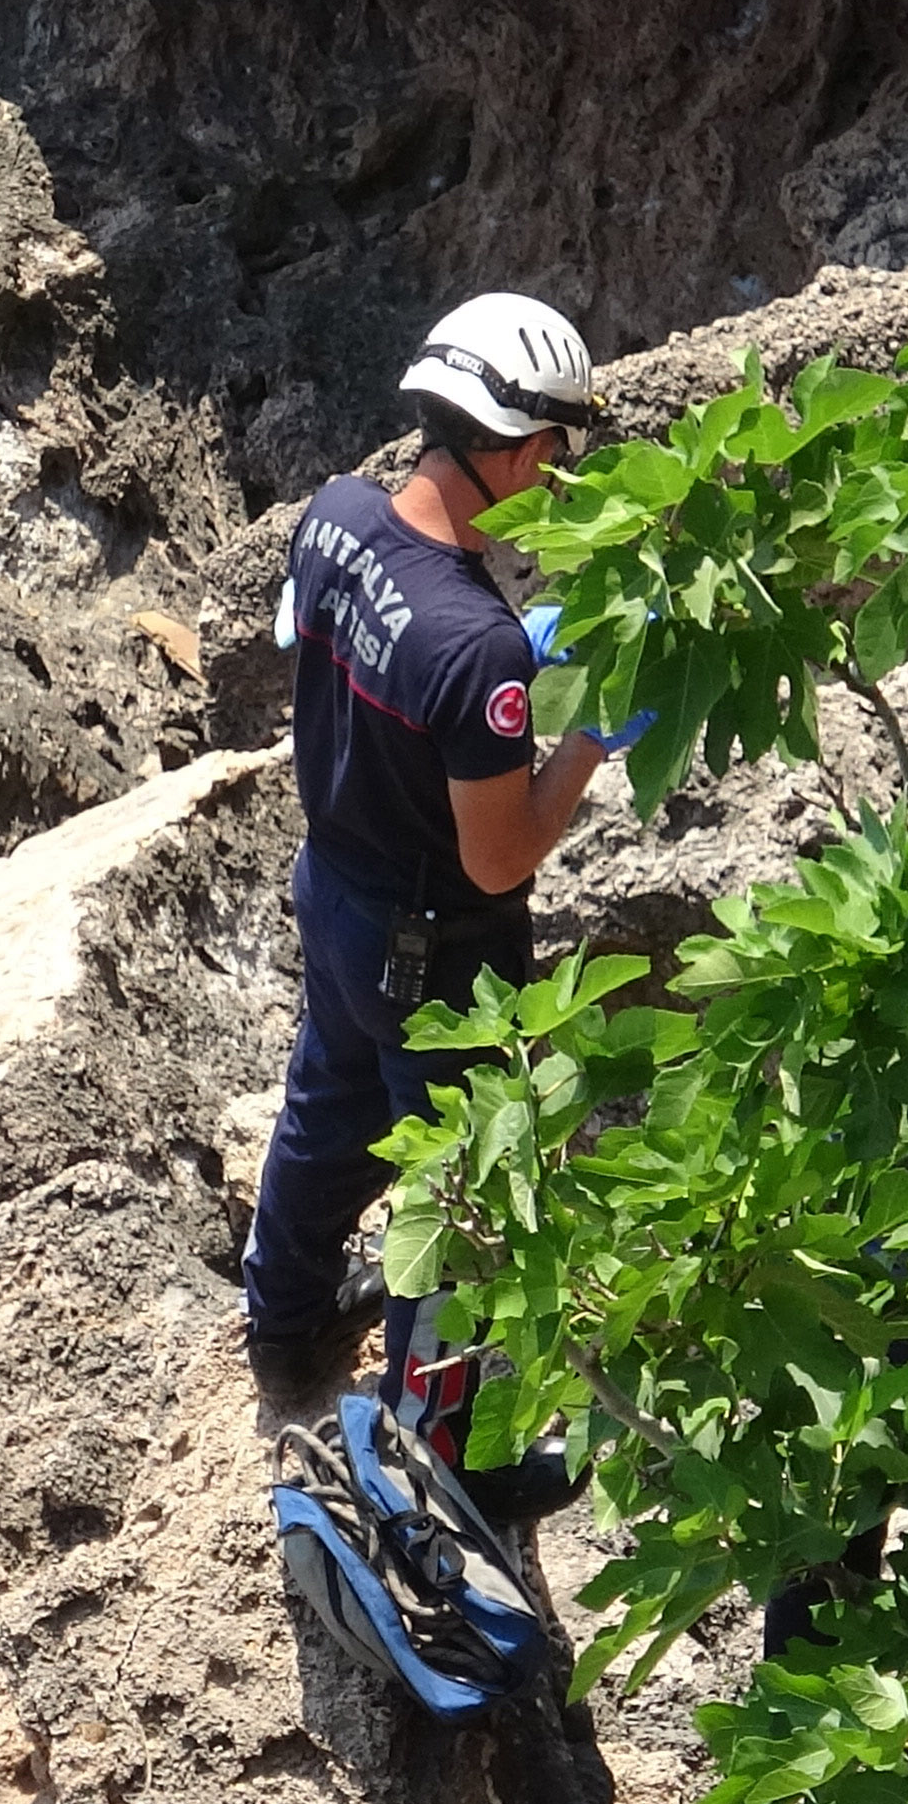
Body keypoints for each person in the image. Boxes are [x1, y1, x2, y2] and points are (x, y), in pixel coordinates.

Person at [244, 291, 650, 1515]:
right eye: (558, 456)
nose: (562, 480)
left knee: (329, 1102)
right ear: (517, 449)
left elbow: (311, 644)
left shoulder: (337, 515)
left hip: (336, 887)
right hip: (440, 941)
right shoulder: (479, 652)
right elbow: (500, 859)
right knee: (462, 1198)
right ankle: (447, 1458)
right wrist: (581, 734)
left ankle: (285, 1317)